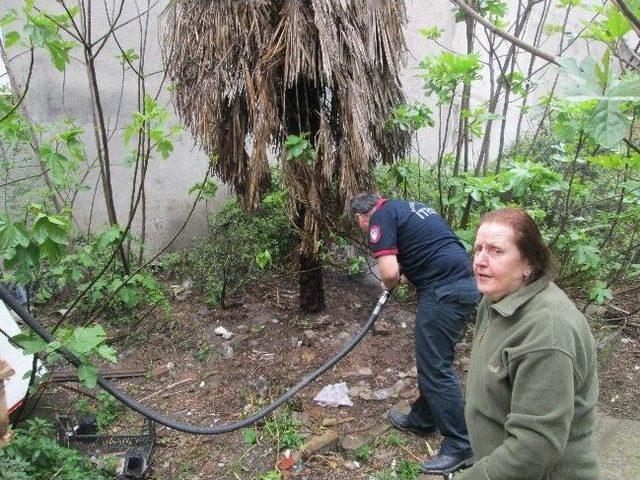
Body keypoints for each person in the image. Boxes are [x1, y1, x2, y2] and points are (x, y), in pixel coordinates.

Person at [458, 208, 600, 479]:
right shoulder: (495, 300)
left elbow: (535, 448)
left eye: (496, 251)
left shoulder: (547, 331)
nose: (480, 261)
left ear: (529, 264)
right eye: (478, 249)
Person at [350, 192, 479, 473]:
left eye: (359, 222)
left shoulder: (379, 218)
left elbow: (388, 272)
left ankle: (461, 445)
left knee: (436, 368)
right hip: (463, 285)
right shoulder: (409, 208)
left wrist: (391, 279)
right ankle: (423, 419)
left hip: (443, 292)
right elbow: (427, 253)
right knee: (432, 361)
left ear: (362, 217)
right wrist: (403, 275)